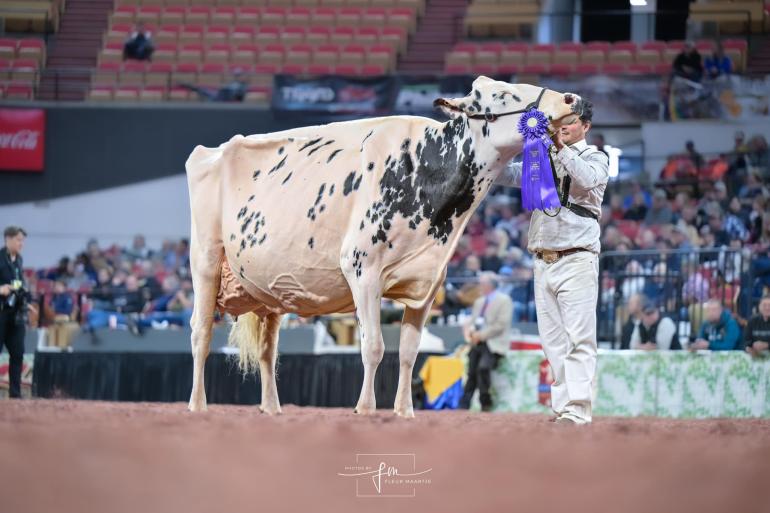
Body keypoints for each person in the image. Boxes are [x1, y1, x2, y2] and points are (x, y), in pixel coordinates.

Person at [495, 99, 609, 424]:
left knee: (579, 339)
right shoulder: (540, 158)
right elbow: (510, 175)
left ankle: (579, 410)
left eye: (570, 121)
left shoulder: (595, 156)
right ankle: (562, 408)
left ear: (585, 126)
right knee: (554, 343)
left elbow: (587, 179)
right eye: (559, 121)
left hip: (576, 257)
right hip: (542, 260)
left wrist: (558, 147)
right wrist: (491, 157)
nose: (563, 126)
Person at [459, 272, 513, 412]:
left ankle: (485, 402)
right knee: (471, 372)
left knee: (483, 368)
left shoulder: (504, 300)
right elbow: (472, 320)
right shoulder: (479, 302)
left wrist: (481, 335)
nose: (479, 286)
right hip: (477, 342)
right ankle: (464, 404)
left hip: (493, 343)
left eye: (482, 283)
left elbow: (501, 325)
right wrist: (469, 330)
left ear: (489, 285)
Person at [0, 226, 29, 398]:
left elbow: (18, 283)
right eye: (18, 240)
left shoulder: (19, 260)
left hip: (16, 312)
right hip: (1, 311)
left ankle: (15, 394)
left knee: (17, 353)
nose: (21, 243)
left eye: (22, 240)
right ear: (8, 239)